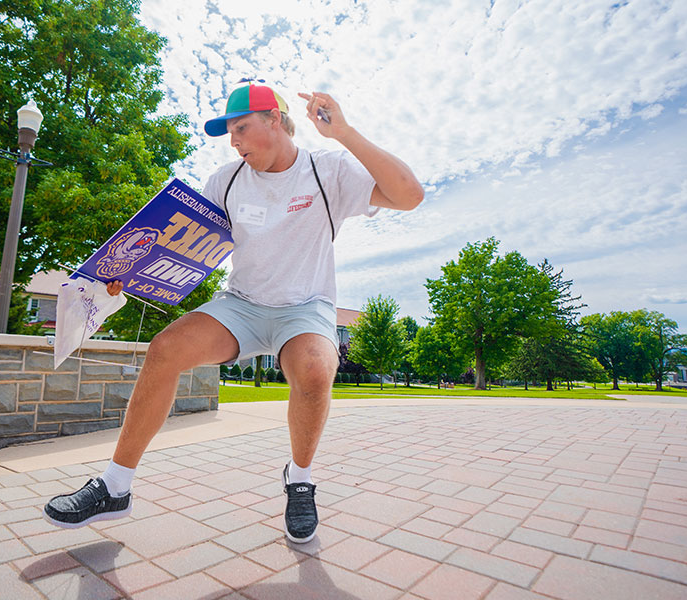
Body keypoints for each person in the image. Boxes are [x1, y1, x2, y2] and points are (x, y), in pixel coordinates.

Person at [43, 82, 423, 544]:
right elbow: (185, 250)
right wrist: (130, 273)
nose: (234, 141)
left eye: (241, 128)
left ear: (276, 121)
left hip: (304, 307)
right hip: (240, 304)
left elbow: (409, 196)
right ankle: (115, 486)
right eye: (230, 133)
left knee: (316, 370)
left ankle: (299, 478)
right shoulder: (225, 180)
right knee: (163, 349)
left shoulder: (329, 171)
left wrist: (343, 131)